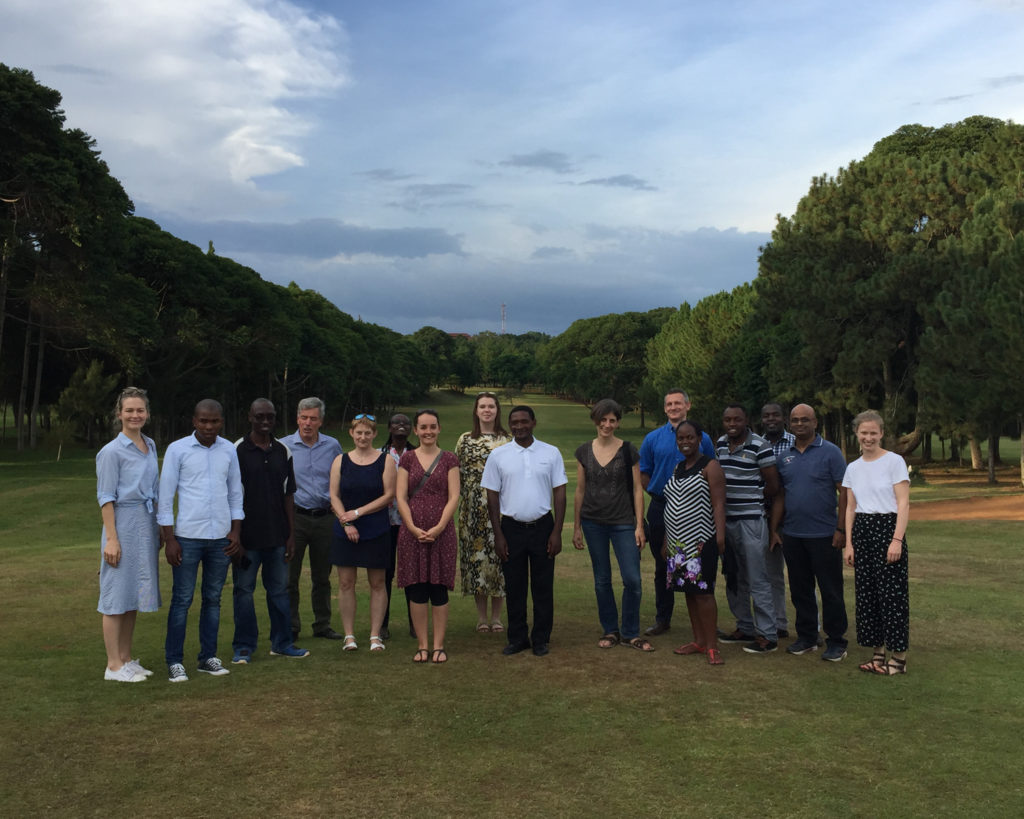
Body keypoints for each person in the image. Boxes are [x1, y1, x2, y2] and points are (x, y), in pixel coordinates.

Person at [158, 399, 243, 682]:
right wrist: (169, 539)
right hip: (187, 537)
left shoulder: (229, 450)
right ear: (194, 421)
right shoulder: (177, 449)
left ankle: (208, 657)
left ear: (221, 422)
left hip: (220, 539)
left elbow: (235, 493)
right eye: (203, 421)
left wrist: (235, 532)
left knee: (213, 599)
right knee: (182, 600)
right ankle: (174, 661)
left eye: (214, 421)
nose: (209, 426)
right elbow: (165, 496)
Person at [482, 405, 567, 657]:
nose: (519, 426)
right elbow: (492, 496)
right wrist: (498, 534)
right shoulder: (498, 455)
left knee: (543, 586)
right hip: (511, 528)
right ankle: (518, 638)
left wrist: (557, 531)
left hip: (543, 527)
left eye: (524, 421)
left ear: (533, 423)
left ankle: (541, 638)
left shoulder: (551, 452)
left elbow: (560, 493)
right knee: (515, 586)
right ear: (509, 425)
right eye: (514, 422)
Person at [231, 398, 308, 663]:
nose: (265, 421)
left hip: (277, 537)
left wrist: (291, 535)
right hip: (247, 538)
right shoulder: (237, 450)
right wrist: (235, 536)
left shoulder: (283, 451)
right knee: (243, 592)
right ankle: (244, 646)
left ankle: (282, 643)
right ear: (249, 417)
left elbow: (289, 495)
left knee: (279, 592)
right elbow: (231, 496)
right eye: (259, 416)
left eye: (270, 417)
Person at [571, 399, 649, 651]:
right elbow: (580, 490)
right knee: (602, 580)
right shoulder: (583, 451)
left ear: (618, 422)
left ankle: (630, 632)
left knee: (632, 579)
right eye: (602, 420)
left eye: (612, 420)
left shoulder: (628, 450)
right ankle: (610, 630)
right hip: (593, 523)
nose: (607, 424)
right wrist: (576, 526)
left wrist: (639, 526)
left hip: (623, 522)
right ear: (595, 420)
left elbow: (637, 489)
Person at [96, 387, 161, 683]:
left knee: (134, 594)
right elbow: (106, 497)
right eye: (129, 410)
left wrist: (158, 527)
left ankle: (125, 658)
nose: (135, 415)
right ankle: (113, 666)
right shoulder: (111, 452)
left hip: (145, 524)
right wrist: (112, 539)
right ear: (119, 414)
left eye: (140, 410)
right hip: (122, 524)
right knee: (115, 595)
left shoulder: (150, 444)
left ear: (147, 413)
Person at [638, 388, 715, 637]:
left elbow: (711, 469)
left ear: (687, 406)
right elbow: (644, 472)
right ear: (665, 408)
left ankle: (705, 620)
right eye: (669, 404)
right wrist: (661, 494)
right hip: (661, 507)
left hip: (696, 510)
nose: (674, 407)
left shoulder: (703, 438)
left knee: (699, 564)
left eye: (678, 403)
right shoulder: (653, 439)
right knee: (663, 564)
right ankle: (663, 618)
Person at [776, 404, 850, 662]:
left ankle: (837, 641)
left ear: (815, 422)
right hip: (793, 534)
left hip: (825, 534)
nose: (799, 424)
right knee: (800, 589)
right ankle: (807, 637)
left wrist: (841, 529)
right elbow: (781, 495)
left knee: (831, 590)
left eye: (805, 420)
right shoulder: (784, 457)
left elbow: (845, 493)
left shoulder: (830, 452)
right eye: (795, 420)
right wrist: (777, 528)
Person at [842, 410, 910, 676]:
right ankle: (878, 655)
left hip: (888, 529)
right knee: (868, 597)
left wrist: (897, 540)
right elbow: (851, 508)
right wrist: (849, 544)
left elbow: (903, 503)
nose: (868, 437)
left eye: (873, 433)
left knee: (892, 597)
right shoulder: (852, 468)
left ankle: (898, 659)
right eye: (864, 433)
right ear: (856, 434)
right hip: (863, 531)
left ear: (881, 434)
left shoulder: (894, 462)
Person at [716, 404, 784, 654]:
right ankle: (744, 626)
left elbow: (773, 485)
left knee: (758, 577)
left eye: (737, 419)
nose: (732, 424)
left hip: (752, 521)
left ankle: (768, 634)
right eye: (728, 420)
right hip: (727, 521)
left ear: (746, 420)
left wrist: (752, 497)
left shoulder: (759, 445)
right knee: (734, 576)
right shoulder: (721, 444)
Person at [396, 409, 461, 664]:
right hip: (412, 533)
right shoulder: (407, 459)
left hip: (442, 533)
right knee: (417, 589)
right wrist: (412, 527)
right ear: (416, 430)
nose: (428, 432)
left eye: (432, 426)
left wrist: (440, 526)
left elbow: (454, 496)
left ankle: (439, 645)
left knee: (439, 588)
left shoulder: (449, 459)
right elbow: (400, 496)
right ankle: (422, 645)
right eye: (423, 427)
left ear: (439, 428)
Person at [329, 413, 397, 652]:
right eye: (359, 432)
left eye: (367, 433)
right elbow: (334, 495)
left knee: (378, 583)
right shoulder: (340, 460)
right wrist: (346, 523)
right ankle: (349, 636)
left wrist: (357, 513)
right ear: (352, 433)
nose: (363, 437)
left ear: (374, 434)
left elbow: (389, 495)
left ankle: (375, 636)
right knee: (346, 582)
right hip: (345, 529)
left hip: (376, 528)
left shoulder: (386, 461)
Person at [662, 420, 727, 665]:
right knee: (688, 592)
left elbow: (719, 503)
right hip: (677, 544)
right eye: (681, 438)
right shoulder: (678, 467)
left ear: (700, 439)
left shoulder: (710, 466)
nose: (685, 442)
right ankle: (698, 641)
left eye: (690, 437)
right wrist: (666, 541)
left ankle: (712, 646)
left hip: (701, 541)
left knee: (704, 593)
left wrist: (720, 536)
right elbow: (672, 504)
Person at [282, 397, 344, 642]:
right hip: (294, 519)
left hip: (325, 518)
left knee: (322, 577)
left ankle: (322, 624)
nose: (308, 423)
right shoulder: (284, 446)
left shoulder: (332, 446)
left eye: (313, 419)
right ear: (297, 418)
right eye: (304, 418)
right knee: (290, 577)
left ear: (321, 421)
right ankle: (291, 626)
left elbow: (341, 477)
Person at [455, 391, 511, 633]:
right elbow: (456, 474)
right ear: (476, 411)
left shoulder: (508, 440)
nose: (487, 410)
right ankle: (481, 618)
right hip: (472, 510)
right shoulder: (465, 440)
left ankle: (496, 617)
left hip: (501, 508)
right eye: (482, 406)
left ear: (497, 410)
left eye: (491, 406)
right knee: (477, 562)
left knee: (499, 562)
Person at [380, 413, 416, 640]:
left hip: (410, 523)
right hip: (385, 523)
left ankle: (415, 623)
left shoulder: (417, 454)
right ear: (389, 427)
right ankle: (382, 624)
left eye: (406, 423)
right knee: (385, 574)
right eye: (396, 422)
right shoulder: (380, 455)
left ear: (411, 429)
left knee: (411, 574)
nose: (401, 426)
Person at [760, 402, 794, 638]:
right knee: (772, 575)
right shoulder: (757, 444)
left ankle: (811, 628)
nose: (771, 419)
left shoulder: (796, 442)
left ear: (784, 418)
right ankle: (779, 624)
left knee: (801, 576)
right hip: (766, 518)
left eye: (776, 415)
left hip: (794, 518)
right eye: (767, 416)